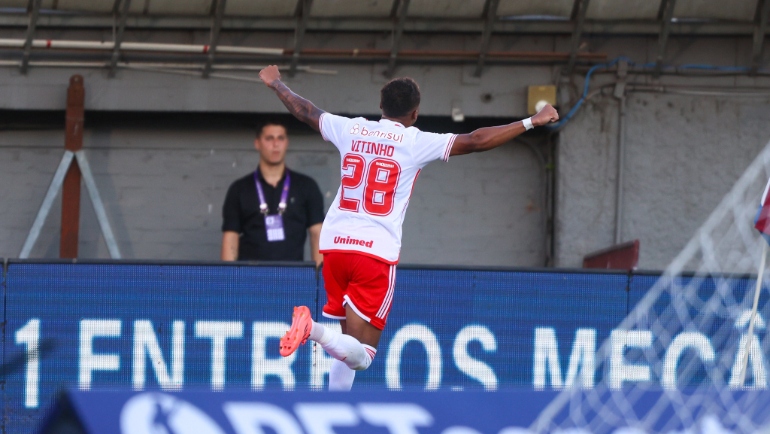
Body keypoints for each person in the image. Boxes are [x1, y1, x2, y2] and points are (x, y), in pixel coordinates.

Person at [258, 65, 559, 390]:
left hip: (334, 248)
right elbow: (476, 140)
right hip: (373, 254)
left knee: (346, 347)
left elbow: (306, 111)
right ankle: (312, 328)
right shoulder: (414, 141)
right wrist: (532, 121)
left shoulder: (351, 129)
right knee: (364, 355)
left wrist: (277, 84)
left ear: (380, 107)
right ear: (414, 113)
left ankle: (330, 413)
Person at [221, 120, 324, 266]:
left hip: (293, 278)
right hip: (250, 278)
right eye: (269, 138)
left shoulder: (306, 186)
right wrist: (228, 281)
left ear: (287, 142)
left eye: (280, 138)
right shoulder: (240, 189)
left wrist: (319, 281)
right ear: (257, 143)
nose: (275, 144)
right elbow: (230, 238)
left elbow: (317, 235)